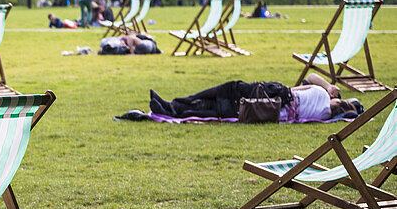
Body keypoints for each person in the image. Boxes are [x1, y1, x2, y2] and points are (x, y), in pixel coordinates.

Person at [149, 73, 359, 121]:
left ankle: (174, 105)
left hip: (268, 94)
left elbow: (307, 79)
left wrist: (328, 85)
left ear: (338, 101)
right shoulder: (321, 117)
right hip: (268, 112)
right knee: (221, 110)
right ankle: (173, 109)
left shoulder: (322, 93)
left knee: (228, 89)